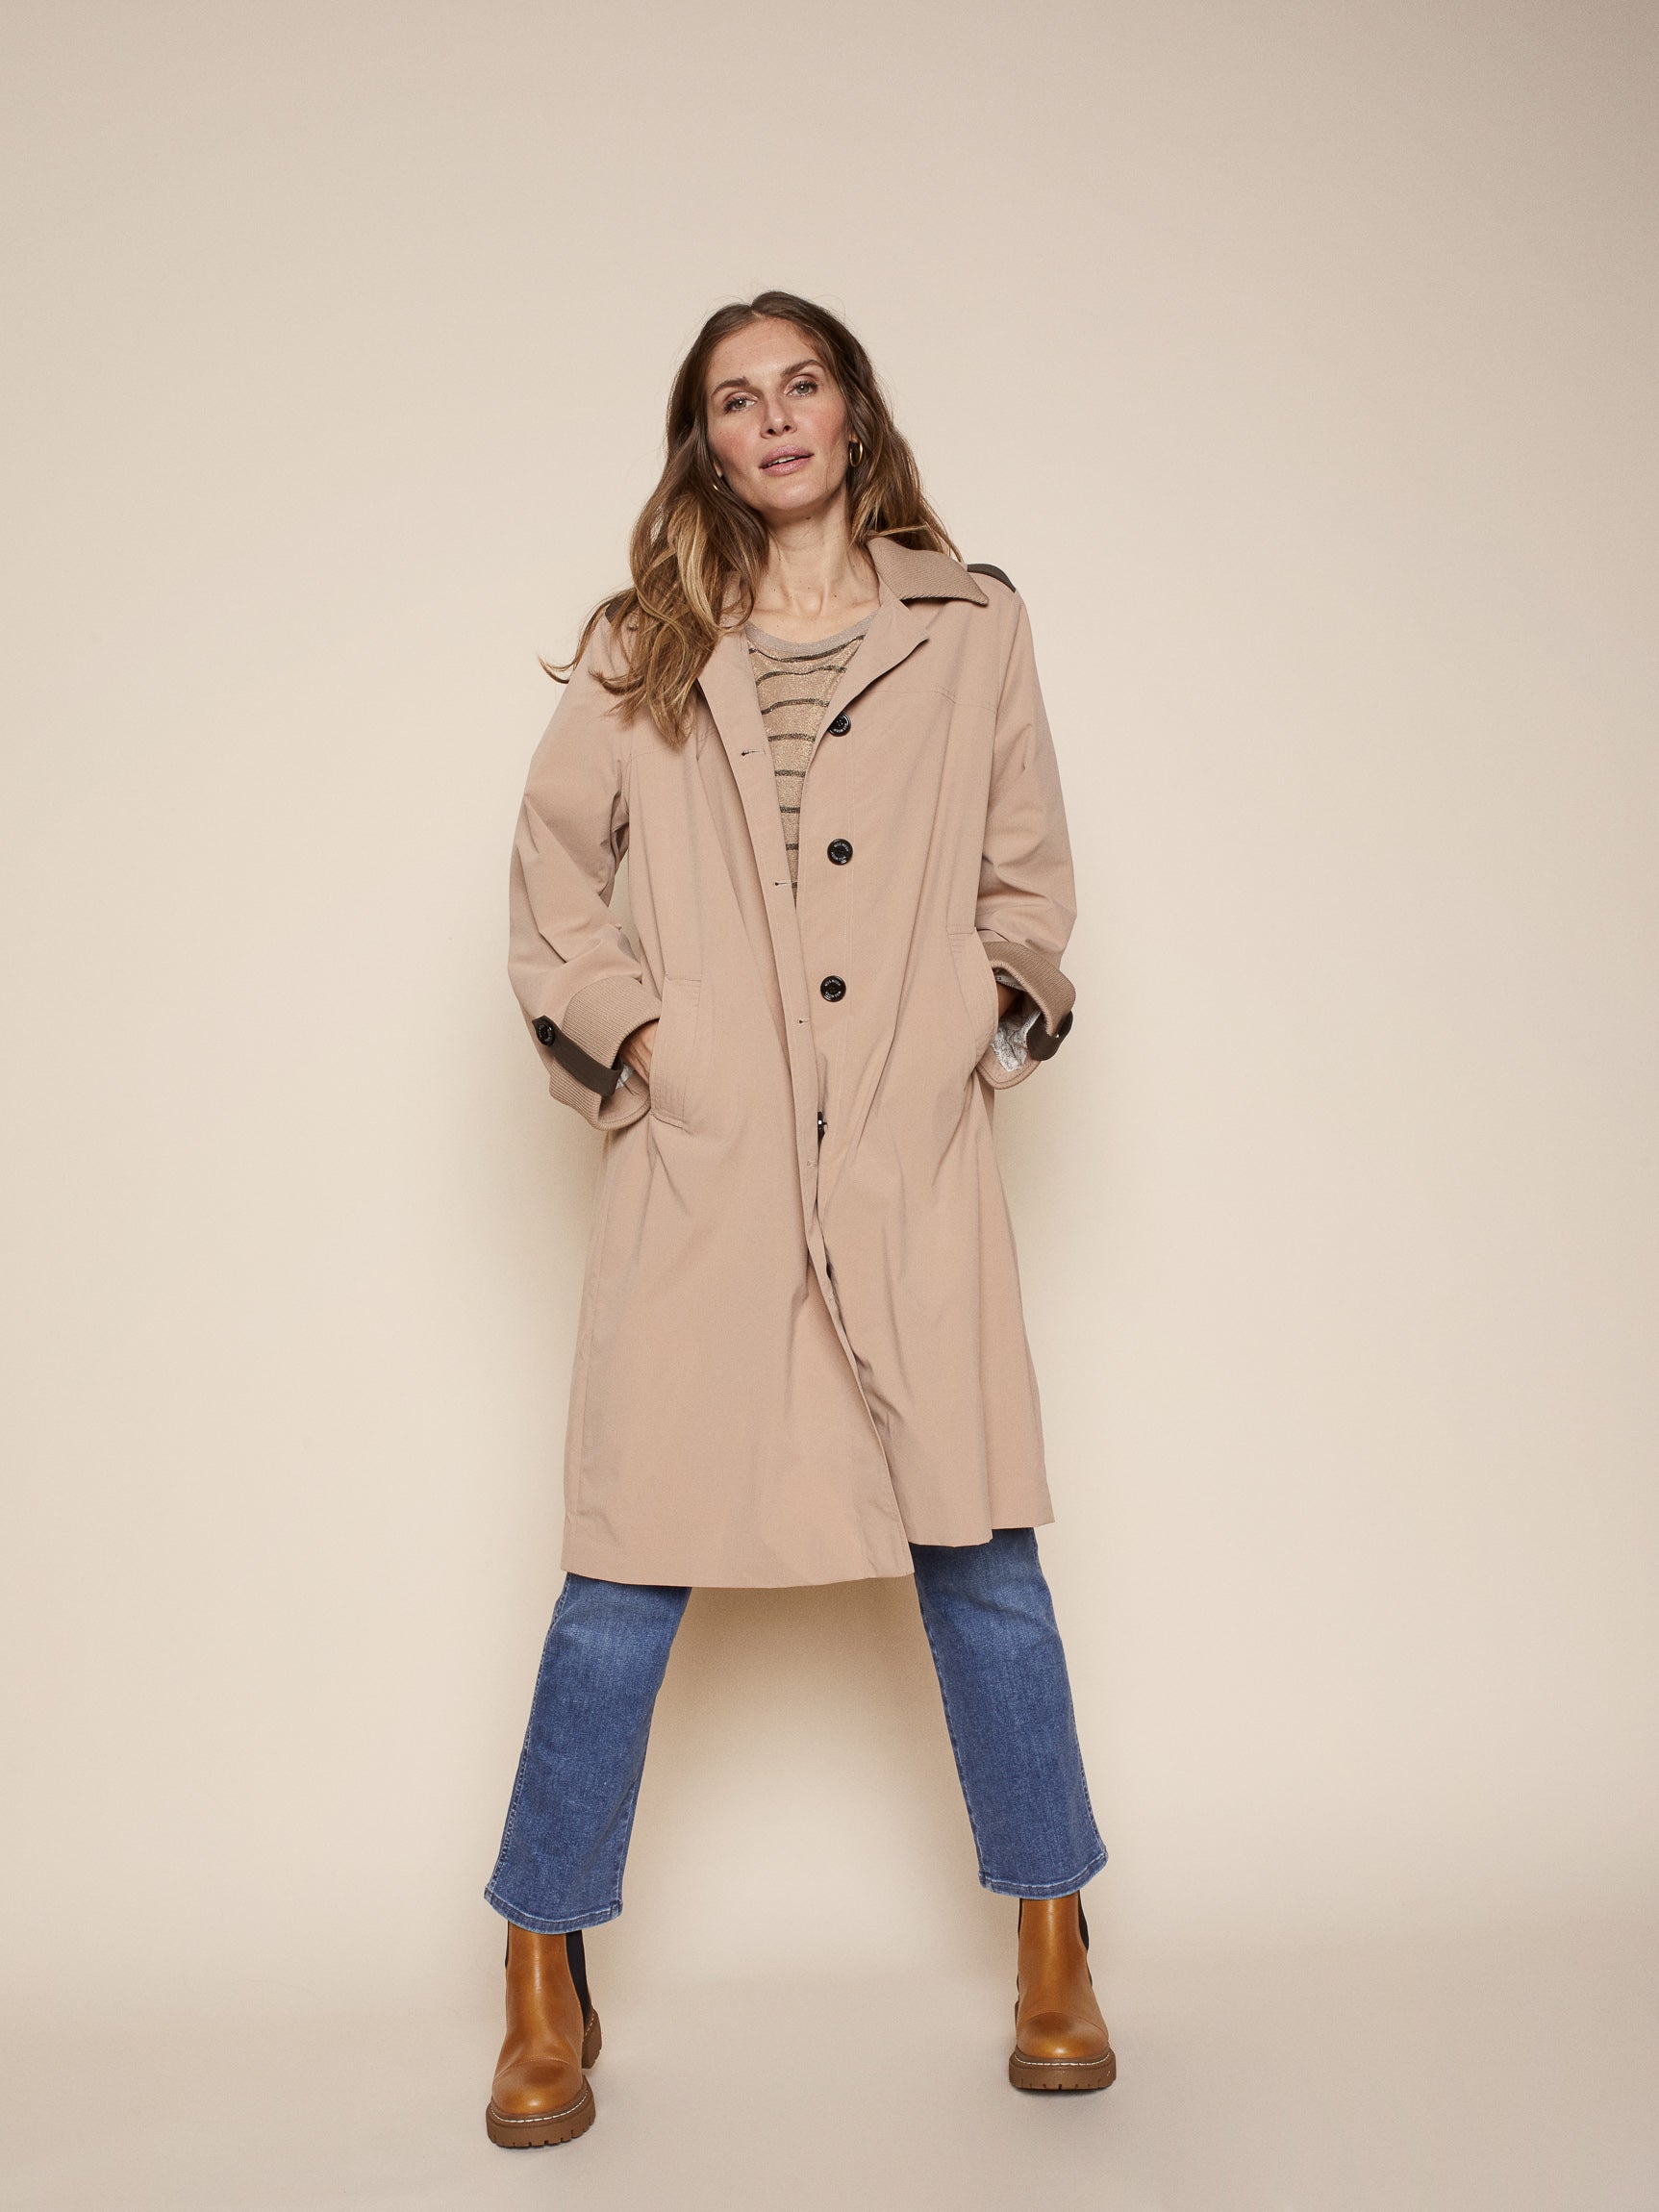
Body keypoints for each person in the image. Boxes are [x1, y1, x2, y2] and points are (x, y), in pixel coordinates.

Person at [483, 290, 1113, 2149]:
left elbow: (1027, 882)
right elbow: (550, 885)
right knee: (621, 1577)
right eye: (734, 400)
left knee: (982, 1560)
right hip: (709, 1167)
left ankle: (1055, 1939)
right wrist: (649, 1045)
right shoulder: (641, 646)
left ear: (851, 411)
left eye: (801, 385)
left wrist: (964, 1031)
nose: (773, 420)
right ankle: (539, 1965)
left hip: (905, 1160)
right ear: (705, 442)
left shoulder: (969, 626)